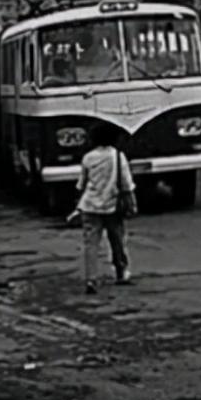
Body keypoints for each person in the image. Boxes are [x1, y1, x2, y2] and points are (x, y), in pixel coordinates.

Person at [71, 125, 135, 295]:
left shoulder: (88, 158)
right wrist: (132, 204)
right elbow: (126, 185)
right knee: (117, 241)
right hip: (112, 206)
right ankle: (121, 272)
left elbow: (81, 184)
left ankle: (91, 279)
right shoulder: (118, 157)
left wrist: (78, 204)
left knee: (91, 244)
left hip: (90, 206)